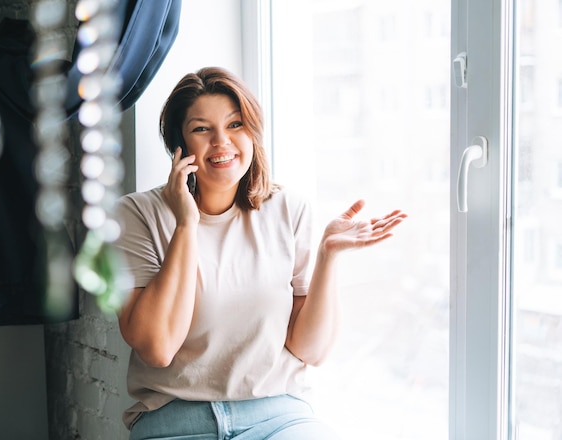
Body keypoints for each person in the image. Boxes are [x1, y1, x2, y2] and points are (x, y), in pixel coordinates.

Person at [114, 66, 407, 439]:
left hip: (279, 414)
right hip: (175, 417)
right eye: (202, 129)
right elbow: (157, 349)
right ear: (180, 146)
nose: (222, 141)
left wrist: (327, 256)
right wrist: (187, 224)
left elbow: (310, 351)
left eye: (235, 125)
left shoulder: (289, 209)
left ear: (253, 133)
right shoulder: (137, 215)